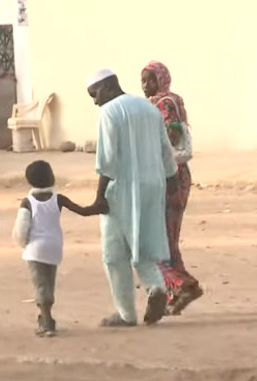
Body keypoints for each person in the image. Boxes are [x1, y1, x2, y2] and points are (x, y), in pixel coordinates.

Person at [86, 69, 178, 327]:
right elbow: (165, 152)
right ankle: (156, 288)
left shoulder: (109, 111)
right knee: (145, 246)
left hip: (121, 188)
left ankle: (126, 314)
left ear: (107, 86)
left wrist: (98, 198)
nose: (95, 101)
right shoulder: (149, 109)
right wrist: (169, 185)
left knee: (114, 253)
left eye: (94, 94)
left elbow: (107, 159)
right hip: (153, 185)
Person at [12, 160, 105, 337]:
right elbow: (83, 211)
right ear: (51, 177)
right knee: (49, 284)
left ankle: (47, 323)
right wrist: (100, 207)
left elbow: (21, 229)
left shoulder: (28, 203)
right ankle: (46, 317)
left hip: (35, 250)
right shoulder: (58, 199)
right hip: (54, 249)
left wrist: (23, 244)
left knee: (41, 285)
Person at [141, 61, 203, 315]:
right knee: (167, 239)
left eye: (150, 80)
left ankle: (182, 284)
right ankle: (175, 292)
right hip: (173, 175)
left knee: (157, 239)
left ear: (161, 80)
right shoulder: (166, 100)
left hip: (170, 177)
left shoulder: (164, 103)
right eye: (143, 80)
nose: (145, 86)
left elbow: (173, 135)